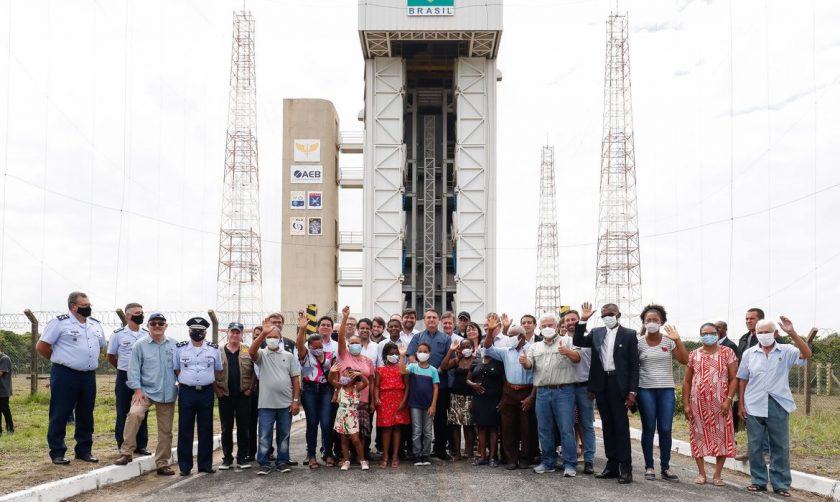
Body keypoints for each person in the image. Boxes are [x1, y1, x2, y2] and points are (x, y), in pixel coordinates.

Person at [737, 316, 811, 497]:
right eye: (760, 332)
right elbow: (743, 379)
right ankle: (759, 481)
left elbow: (806, 354)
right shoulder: (749, 353)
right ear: (755, 334)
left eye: (767, 332)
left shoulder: (785, 351)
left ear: (775, 333)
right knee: (754, 445)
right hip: (753, 403)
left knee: (780, 446)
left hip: (778, 403)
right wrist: (741, 403)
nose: (763, 335)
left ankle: (781, 484)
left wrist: (792, 332)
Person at [36, 291, 106, 465]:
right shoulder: (59, 323)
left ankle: (84, 450)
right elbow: (42, 346)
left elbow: (102, 346)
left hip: (88, 375)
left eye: (89, 304)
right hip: (65, 374)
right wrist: (61, 359)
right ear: (73, 306)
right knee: (60, 412)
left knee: (86, 413)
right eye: (85, 305)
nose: (88, 308)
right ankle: (58, 451)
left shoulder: (95, 325)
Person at [574, 302, 639, 484]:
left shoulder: (629, 334)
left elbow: (635, 366)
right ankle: (611, 465)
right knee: (607, 426)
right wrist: (583, 320)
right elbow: (578, 341)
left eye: (610, 313)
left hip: (619, 384)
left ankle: (625, 468)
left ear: (618, 314)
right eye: (604, 315)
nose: (607, 317)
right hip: (602, 384)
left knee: (620, 426)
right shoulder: (596, 332)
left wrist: (633, 391)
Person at [113, 313, 178, 475]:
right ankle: (126, 452)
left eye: (161, 323)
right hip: (145, 392)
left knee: (165, 430)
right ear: (148, 326)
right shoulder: (140, 345)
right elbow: (133, 369)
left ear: (166, 326)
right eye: (153, 323)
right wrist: (137, 390)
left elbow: (180, 368)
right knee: (134, 415)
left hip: (167, 392)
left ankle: (162, 463)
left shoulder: (175, 345)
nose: (157, 326)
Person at [636, 304, 688, 481]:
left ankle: (665, 467)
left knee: (665, 428)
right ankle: (649, 466)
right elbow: (633, 367)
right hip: (645, 390)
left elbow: (684, 360)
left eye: (655, 320)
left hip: (666, 389)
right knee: (649, 428)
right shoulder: (638, 342)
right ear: (644, 322)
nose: (652, 323)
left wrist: (678, 340)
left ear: (662, 322)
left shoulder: (669, 341)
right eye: (648, 320)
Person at [521, 323, 580, 476]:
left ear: (557, 326)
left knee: (566, 428)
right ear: (540, 327)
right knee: (544, 429)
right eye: (544, 325)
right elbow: (529, 364)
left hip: (564, 391)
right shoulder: (535, 346)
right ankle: (548, 462)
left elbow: (577, 358)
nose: (547, 327)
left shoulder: (568, 341)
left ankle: (569, 464)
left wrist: (567, 352)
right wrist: (524, 361)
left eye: (550, 325)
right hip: (542, 392)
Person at [683, 323, 738, 486]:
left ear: (718, 334)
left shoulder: (728, 353)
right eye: (705, 333)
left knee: (723, 436)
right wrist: (686, 404)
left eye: (712, 333)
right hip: (697, 405)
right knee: (698, 436)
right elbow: (687, 381)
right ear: (700, 335)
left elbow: (734, 378)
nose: (709, 335)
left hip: (721, 405)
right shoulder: (693, 355)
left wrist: (729, 399)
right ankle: (701, 474)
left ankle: (717, 475)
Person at [248, 317, 302, 475]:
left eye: (275, 337)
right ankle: (264, 463)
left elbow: (295, 379)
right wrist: (262, 334)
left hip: (285, 404)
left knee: (284, 435)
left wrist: (296, 401)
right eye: (269, 337)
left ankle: (282, 461)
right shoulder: (262, 354)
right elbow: (251, 352)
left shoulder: (289, 356)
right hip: (266, 404)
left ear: (280, 339)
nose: (272, 339)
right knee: (264, 435)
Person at [483, 322, 535, 470]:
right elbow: (487, 348)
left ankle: (525, 458)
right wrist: (490, 332)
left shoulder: (532, 349)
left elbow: (538, 374)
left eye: (512, 336)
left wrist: (532, 396)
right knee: (508, 427)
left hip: (527, 390)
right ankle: (511, 458)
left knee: (527, 427)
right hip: (510, 392)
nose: (509, 338)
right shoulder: (506, 351)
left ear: (521, 337)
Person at [174, 316, 222, 476]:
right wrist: (188, 381)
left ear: (205, 333)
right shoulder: (179, 348)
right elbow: (177, 369)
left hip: (206, 392)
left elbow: (217, 370)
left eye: (200, 331)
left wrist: (205, 379)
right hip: (187, 391)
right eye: (194, 330)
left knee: (206, 429)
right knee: (185, 429)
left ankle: (205, 464)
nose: (197, 333)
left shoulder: (214, 349)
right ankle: (185, 466)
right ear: (189, 331)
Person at [406, 308, 453, 461]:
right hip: (419, 386)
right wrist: (421, 368)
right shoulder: (418, 337)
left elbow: (449, 358)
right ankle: (416, 452)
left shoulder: (446, 338)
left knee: (440, 419)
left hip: (440, 384)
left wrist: (438, 369)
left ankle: (439, 449)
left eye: (434, 317)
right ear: (424, 320)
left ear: (438, 320)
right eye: (428, 317)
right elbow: (411, 356)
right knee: (418, 423)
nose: (431, 320)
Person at [107, 303, 150, 456]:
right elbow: (111, 356)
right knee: (123, 411)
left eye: (142, 312)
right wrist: (123, 369)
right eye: (138, 313)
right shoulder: (118, 334)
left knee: (141, 410)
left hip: (142, 376)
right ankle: (122, 444)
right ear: (128, 316)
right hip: (124, 375)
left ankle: (141, 444)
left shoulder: (146, 334)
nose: (141, 315)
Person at [295, 311, 337, 469]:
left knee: (326, 423)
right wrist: (302, 330)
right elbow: (299, 344)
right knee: (312, 423)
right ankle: (311, 455)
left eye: (321, 347)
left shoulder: (329, 356)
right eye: (315, 347)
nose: (318, 349)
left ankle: (328, 453)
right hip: (310, 390)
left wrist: (335, 392)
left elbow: (335, 374)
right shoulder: (305, 354)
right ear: (310, 346)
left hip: (326, 389)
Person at [336, 306, 376, 461]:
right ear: (348, 345)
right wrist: (345, 318)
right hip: (347, 401)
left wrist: (372, 400)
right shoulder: (344, 356)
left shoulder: (368, 361)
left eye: (356, 343)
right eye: (351, 342)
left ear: (361, 345)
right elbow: (340, 337)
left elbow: (371, 382)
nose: (354, 345)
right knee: (347, 431)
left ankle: (362, 456)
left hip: (364, 400)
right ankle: (348, 457)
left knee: (363, 430)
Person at [216, 322, 255, 470]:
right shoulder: (218, 351)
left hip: (243, 395)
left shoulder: (248, 350)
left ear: (242, 335)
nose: (235, 335)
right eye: (232, 332)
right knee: (226, 428)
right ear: (227, 333)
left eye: (238, 332)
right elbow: (212, 371)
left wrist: (250, 389)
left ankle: (242, 457)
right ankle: (227, 458)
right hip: (225, 395)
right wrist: (217, 390)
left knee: (243, 427)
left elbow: (254, 372)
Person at [565, 310, 595, 475]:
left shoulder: (590, 338)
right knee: (567, 425)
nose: (571, 322)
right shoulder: (561, 341)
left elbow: (597, 365)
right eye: (568, 320)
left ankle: (589, 460)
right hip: (566, 387)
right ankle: (570, 459)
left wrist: (594, 387)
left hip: (585, 388)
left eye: (574, 319)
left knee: (586, 425)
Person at [373, 342, 410, 468]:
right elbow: (377, 386)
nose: (393, 356)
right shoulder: (380, 369)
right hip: (385, 400)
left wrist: (404, 401)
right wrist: (376, 398)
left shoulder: (402, 368)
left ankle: (395, 456)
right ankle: (385, 456)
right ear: (385, 355)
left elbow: (407, 387)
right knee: (386, 428)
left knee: (397, 428)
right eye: (391, 354)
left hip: (399, 399)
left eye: (396, 354)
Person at [469, 339, 505, 467]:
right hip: (479, 400)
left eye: (487, 346)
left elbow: (504, 383)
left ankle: (492, 457)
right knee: (481, 428)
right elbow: (468, 379)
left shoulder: (499, 363)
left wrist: (502, 401)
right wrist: (474, 385)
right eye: (482, 346)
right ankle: (482, 456)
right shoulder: (476, 362)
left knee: (493, 429)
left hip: (494, 399)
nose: (484, 348)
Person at [441, 338, 476, 462]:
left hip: (470, 397)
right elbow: (444, 366)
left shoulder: (476, 361)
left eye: (468, 346)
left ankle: (470, 453)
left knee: (468, 426)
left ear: (473, 348)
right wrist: (451, 351)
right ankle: (457, 453)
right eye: (463, 346)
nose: (466, 348)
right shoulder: (458, 360)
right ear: (460, 348)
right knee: (455, 426)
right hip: (455, 396)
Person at [330, 365, 370, 471]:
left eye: (347, 374)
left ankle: (362, 460)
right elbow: (331, 380)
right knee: (343, 440)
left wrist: (360, 374)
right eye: (343, 374)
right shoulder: (340, 387)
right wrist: (331, 372)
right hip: (341, 416)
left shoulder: (357, 388)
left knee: (356, 440)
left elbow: (366, 383)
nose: (343, 376)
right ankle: (346, 461)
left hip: (352, 416)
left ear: (353, 377)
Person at [407, 342, 439, 466]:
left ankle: (426, 454)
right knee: (416, 430)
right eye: (420, 351)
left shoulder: (433, 370)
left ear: (430, 354)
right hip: (415, 404)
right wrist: (403, 355)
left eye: (425, 351)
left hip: (428, 405)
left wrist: (433, 405)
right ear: (416, 353)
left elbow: (436, 388)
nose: (422, 354)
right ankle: (417, 454)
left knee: (427, 431)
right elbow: (403, 371)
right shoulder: (413, 367)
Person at [715, 320, 743, 432]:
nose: (717, 329)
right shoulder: (713, 345)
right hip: (716, 383)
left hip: (728, 383)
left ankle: (731, 433)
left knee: (727, 410)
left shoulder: (730, 345)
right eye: (715, 327)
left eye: (719, 327)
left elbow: (736, 366)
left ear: (725, 329)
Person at [246, 325, 263, 463]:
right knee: (251, 422)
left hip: (266, 388)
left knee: (266, 422)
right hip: (253, 391)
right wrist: (251, 389)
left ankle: (267, 451)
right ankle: (250, 451)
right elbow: (250, 371)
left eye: (260, 335)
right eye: (255, 335)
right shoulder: (247, 350)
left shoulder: (267, 351)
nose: (257, 337)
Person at [0, 347, 13, 436]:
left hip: (3, 390)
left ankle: (10, 429)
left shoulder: (4, 358)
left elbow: (1, 373)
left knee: (5, 410)